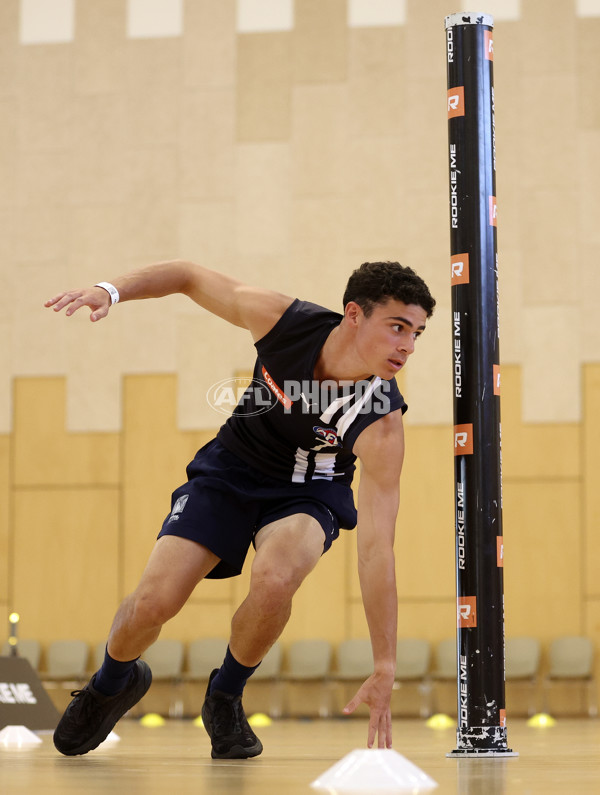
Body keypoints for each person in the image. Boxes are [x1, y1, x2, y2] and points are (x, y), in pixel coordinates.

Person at [44, 259, 435, 759]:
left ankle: (225, 695)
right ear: (354, 314)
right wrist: (110, 291)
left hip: (307, 490)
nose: (407, 346)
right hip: (231, 470)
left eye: (418, 333)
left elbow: (377, 550)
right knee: (152, 605)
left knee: (275, 579)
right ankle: (111, 682)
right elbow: (187, 276)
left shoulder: (381, 423)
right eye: (397, 327)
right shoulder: (281, 321)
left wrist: (385, 665)